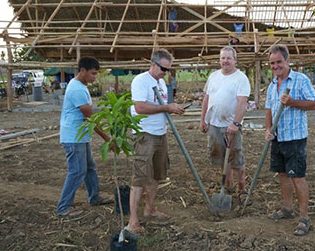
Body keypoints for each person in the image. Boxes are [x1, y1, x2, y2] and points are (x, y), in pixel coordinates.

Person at [127, 48, 185, 234]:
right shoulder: (141, 81)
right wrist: (166, 106)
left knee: (157, 175)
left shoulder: (160, 82)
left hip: (160, 133)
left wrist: (170, 109)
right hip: (145, 134)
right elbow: (140, 107)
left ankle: (150, 209)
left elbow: (160, 107)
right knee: (140, 177)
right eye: (163, 68)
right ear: (153, 64)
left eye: (168, 69)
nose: (166, 73)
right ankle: (133, 221)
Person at [264, 44, 315, 236]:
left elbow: (314, 104)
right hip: (279, 137)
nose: (275, 66)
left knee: (297, 176)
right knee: (282, 174)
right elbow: (269, 109)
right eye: (272, 63)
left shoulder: (300, 80)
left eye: (279, 62)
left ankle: (304, 217)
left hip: (295, 138)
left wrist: (292, 102)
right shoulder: (272, 84)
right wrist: (268, 129)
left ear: (287, 61)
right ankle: (287, 208)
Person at [57, 56, 113, 218]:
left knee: (89, 168)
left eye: (96, 74)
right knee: (77, 171)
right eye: (93, 73)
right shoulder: (77, 89)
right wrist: (107, 138)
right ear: (82, 70)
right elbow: (91, 119)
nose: (95, 77)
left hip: (79, 135)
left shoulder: (80, 85)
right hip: (73, 137)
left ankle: (94, 197)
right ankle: (63, 207)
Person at [199, 46, 251, 204]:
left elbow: (242, 103)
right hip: (214, 124)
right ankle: (228, 187)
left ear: (235, 60)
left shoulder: (240, 78)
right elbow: (206, 99)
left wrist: (235, 123)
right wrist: (203, 120)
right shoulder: (214, 76)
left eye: (229, 58)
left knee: (236, 159)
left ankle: (242, 189)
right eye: (223, 58)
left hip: (231, 126)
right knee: (221, 157)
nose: (225, 61)